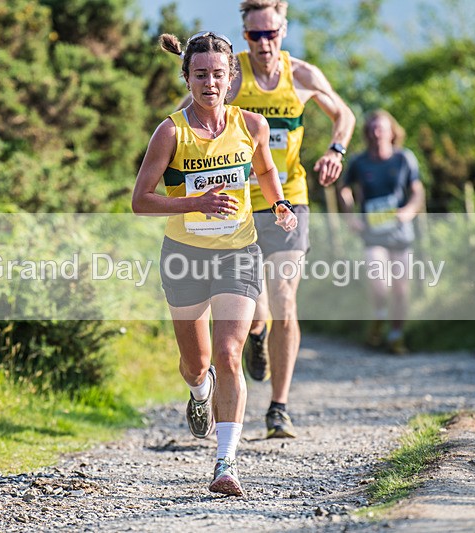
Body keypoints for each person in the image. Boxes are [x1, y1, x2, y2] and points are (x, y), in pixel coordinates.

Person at [132, 31, 297, 497]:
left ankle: (226, 463)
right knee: (195, 363)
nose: (210, 83)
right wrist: (196, 203)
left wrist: (279, 204)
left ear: (231, 78)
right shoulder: (171, 132)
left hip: (238, 253)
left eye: (218, 75)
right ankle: (199, 392)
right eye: (200, 74)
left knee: (228, 354)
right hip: (185, 257)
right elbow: (141, 201)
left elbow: (265, 170)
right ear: (186, 77)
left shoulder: (252, 126)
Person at [229, 0, 355, 439]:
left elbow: (344, 114)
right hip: (240, 204)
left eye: (272, 34)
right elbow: (190, 115)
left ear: (283, 31)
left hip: (289, 200)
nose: (264, 43)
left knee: (284, 299)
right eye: (255, 35)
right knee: (256, 306)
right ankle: (256, 333)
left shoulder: (301, 75)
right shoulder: (232, 76)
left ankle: (278, 407)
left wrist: (335, 150)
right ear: (245, 35)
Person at [338, 109, 425, 355]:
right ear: (367, 133)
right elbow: (344, 188)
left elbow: (417, 190)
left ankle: (396, 336)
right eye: (373, 129)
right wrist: (350, 218)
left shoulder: (404, 158)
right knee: (379, 284)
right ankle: (378, 317)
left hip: (399, 232)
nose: (377, 133)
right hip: (373, 233)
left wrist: (409, 210)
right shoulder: (359, 161)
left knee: (401, 289)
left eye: (382, 128)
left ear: (392, 132)